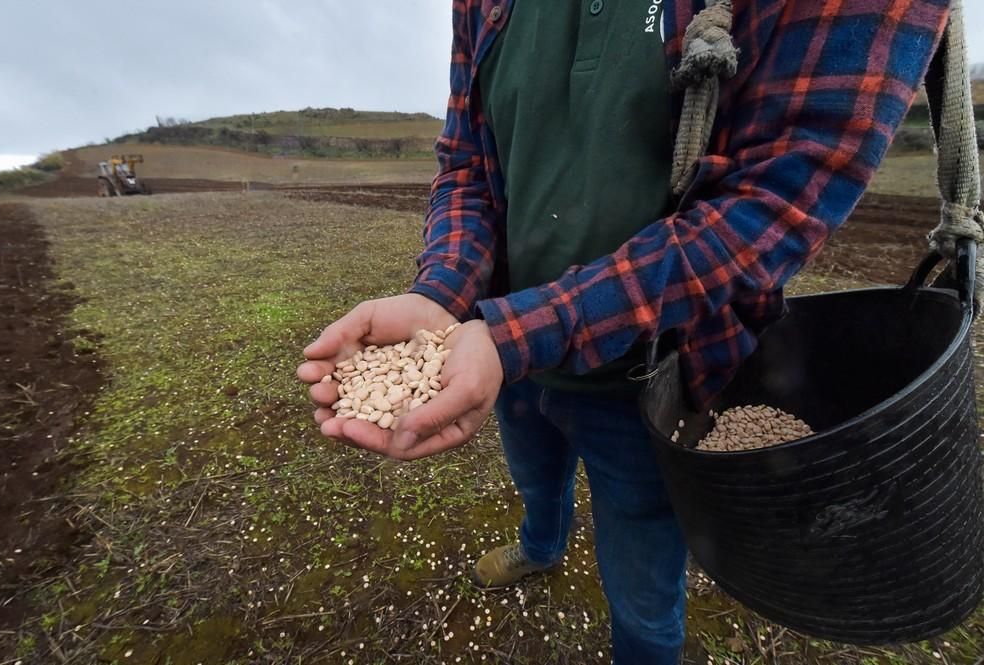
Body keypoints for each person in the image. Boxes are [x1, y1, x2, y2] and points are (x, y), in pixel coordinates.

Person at [298, 1, 950, 662]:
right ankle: (541, 543)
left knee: (643, 591)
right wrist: (441, 294)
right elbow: (468, 163)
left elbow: (772, 205)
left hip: (652, 374)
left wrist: (515, 333)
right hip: (494, 352)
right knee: (534, 469)